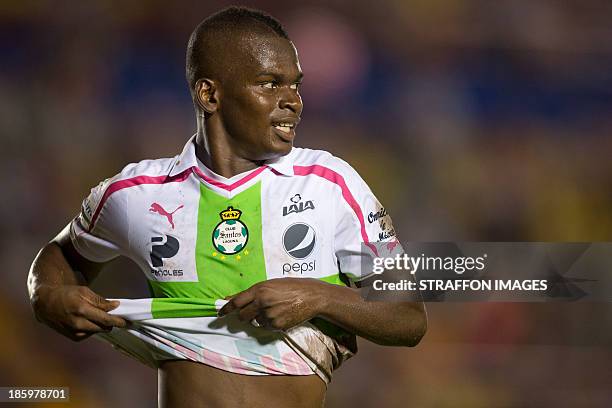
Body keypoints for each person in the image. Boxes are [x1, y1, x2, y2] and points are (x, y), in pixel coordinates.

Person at [27, 6, 427, 408]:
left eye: (295, 85)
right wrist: (46, 296)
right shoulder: (135, 195)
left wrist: (318, 297)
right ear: (210, 94)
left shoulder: (329, 184)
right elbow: (60, 258)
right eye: (270, 84)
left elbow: (409, 317)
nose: (293, 102)